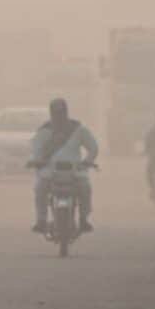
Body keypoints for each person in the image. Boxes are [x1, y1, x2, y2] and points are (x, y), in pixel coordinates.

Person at [29, 98, 99, 234]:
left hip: (75, 171)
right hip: (50, 171)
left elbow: (93, 148)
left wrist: (87, 161)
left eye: (61, 113)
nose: (59, 116)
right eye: (56, 113)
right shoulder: (44, 131)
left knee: (85, 188)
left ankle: (83, 219)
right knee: (40, 189)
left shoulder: (78, 129)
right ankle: (41, 220)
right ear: (51, 113)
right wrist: (37, 161)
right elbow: (36, 149)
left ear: (66, 112)